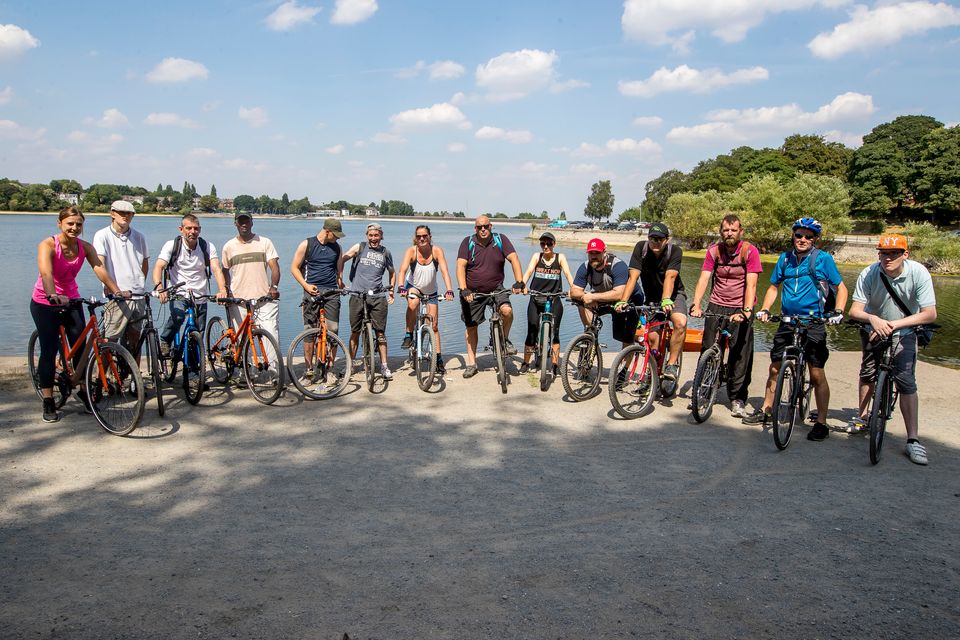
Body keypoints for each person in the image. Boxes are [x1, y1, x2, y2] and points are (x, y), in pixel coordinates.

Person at [742, 217, 848, 442]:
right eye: (799, 235)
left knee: (817, 373)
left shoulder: (823, 259)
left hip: (814, 321)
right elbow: (773, 287)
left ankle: (821, 422)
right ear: (793, 236)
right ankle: (767, 409)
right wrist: (764, 308)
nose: (803, 239)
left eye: (808, 236)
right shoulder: (785, 259)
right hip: (788, 320)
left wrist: (838, 311)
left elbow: (841, 288)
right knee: (775, 368)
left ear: (815, 239)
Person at [847, 234, 937, 465]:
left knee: (906, 381)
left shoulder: (918, 273)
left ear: (905, 254)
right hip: (873, 329)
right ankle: (863, 416)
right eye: (883, 253)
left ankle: (913, 440)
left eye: (894, 253)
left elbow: (929, 314)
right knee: (868, 372)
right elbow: (855, 310)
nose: (887, 258)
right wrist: (872, 319)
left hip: (905, 331)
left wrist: (893, 325)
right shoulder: (869, 272)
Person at [31, 206, 126, 422]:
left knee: (81, 348)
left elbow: (99, 268)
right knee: (50, 348)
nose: (74, 228)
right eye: (70, 224)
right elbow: (46, 272)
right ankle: (48, 399)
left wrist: (116, 290)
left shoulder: (85, 247)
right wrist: (52, 294)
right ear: (60, 224)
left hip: (72, 299)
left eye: (79, 224)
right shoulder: (47, 245)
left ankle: (84, 390)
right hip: (45, 301)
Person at [689, 214, 762, 417]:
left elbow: (752, 284)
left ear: (740, 231)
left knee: (740, 354)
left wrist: (746, 311)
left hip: (740, 307)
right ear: (721, 232)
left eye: (733, 230)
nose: (729, 233)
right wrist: (696, 304)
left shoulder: (749, 251)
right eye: (726, 230)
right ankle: (703, 390)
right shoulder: (714, 251)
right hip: (717, 305)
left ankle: (737, 398)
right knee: (708, 348)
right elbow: (704, 278)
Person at [456, 215, 525, 379]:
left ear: (491, 226)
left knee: (507, 312)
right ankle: (472, 364)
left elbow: (514, 258)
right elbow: (460, 266)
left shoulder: (501, 240)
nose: (483, 229)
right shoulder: (468, 242)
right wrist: (464, 289)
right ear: (475, 229)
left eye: (485, 226)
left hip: (496, 288)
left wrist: (519, 281)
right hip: (473, 291)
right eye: (479, 227)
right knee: (471, 327)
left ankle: (504, 340)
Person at [620, 222, 687, 386]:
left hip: (673, 295)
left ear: (666, 240)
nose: (655, 242)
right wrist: (623, 300)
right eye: (652, 238)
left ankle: (671, 365)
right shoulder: (641, 249)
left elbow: (670, 277)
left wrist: (666, 299)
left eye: (659, 239)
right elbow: (633, 277)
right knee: (652, 339)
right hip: (651, 298)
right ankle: (651, 378)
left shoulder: (675, 251)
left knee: (680, 322)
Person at [152, 213, 227, 354]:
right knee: (178, 317)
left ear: (200, 229)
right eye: (189, 228)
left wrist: (222, 289)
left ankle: (194, 368)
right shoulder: (172, 245)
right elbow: (158, 266)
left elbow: (216, 269)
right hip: (179, 293)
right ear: (181, 229)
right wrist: (159, 287)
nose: (192, 232)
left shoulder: (207, 246)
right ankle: (165, 339)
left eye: (196, 228)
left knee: (198, 331)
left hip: (200, 294)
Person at [220, 211, 281, 368]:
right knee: (241, 339)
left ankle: (274, 372)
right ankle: (244, 372)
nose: (244, 224)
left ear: (252, 222)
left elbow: (274, 267)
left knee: (270, 334)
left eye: (247, 221)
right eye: (241, 222)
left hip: (263, 299)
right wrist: (226, 291)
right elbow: (225, 271)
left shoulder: (265, 242)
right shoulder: (228, 246)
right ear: (236, 224)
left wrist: (273, 287)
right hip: (239, 300)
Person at [290, 217, 346, 380]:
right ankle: (309, 370)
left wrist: (341, 283)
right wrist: (306, 286)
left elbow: (339, 272)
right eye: (335, 235)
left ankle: (330, 369)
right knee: (309, 332)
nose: (337, 238)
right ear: (327, 231)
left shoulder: (337, 248)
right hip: (311, 292)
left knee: (333, 330)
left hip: (331, 292)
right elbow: (294, 268)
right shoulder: (307, 244)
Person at [339, 222, 396, 380]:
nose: (373, 238)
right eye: (370, 235)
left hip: (378, 297)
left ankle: (384, 366)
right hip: (357, 295)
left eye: (376, 235)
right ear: (367, 236)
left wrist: (391, 291)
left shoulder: (386, 253)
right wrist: (339, 278)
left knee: (380, 333)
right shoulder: (360, 247)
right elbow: (343, 259)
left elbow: (392, 273)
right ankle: (349, 365)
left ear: (381, 236)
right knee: (355, 332)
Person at [93, 200, 150, 357]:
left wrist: (140, 282)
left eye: (129, 213)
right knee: (110, 339)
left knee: (135, 339)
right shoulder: (102, 235)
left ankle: (134, 379)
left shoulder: (139, 237)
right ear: (112, 213)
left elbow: (145, 263)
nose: (126, 216)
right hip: (116, 295)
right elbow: (100, 264)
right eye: (121, 212)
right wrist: (111, 287)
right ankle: (101, 379)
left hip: (137, 294)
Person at [397, 225, 455, 375]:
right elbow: (402, 270)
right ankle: (409, 334)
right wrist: (401, 287)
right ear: (415, 238)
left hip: (431, 291)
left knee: (434, 326)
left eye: (424, 236)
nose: (421, 239)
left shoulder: (436, 251)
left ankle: (439, 359)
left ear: (430, 236)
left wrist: (449, 290)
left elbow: (444, 271)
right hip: (414, 286)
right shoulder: (411, 251)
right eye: (418, 236)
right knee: (413, 303)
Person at [571, 238, 643, 351]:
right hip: (606, 297)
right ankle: (590, 334)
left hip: (629, 299)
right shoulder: (585, 267)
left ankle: (625, 366)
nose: (593, 256)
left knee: (625, 338)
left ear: (604, 252)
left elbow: (619, 294)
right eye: (591, 253)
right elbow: (574, 291)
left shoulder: (617, 265)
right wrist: (586, 297)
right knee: (581, 303)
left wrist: (592, 296)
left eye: (597, 253)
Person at [520, 231, 574, 374]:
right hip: (536, 298)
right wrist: (522, 284)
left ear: (554, 244)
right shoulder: (536, 256)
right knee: (532, 330)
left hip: (554, 298)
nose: (545, 246)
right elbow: (529, 271)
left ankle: (555, 364)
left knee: (555, 333)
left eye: (549, 243)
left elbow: (568, 274)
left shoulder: (560, 257)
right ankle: (526, 362)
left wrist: (573, 289)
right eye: (543, 243)